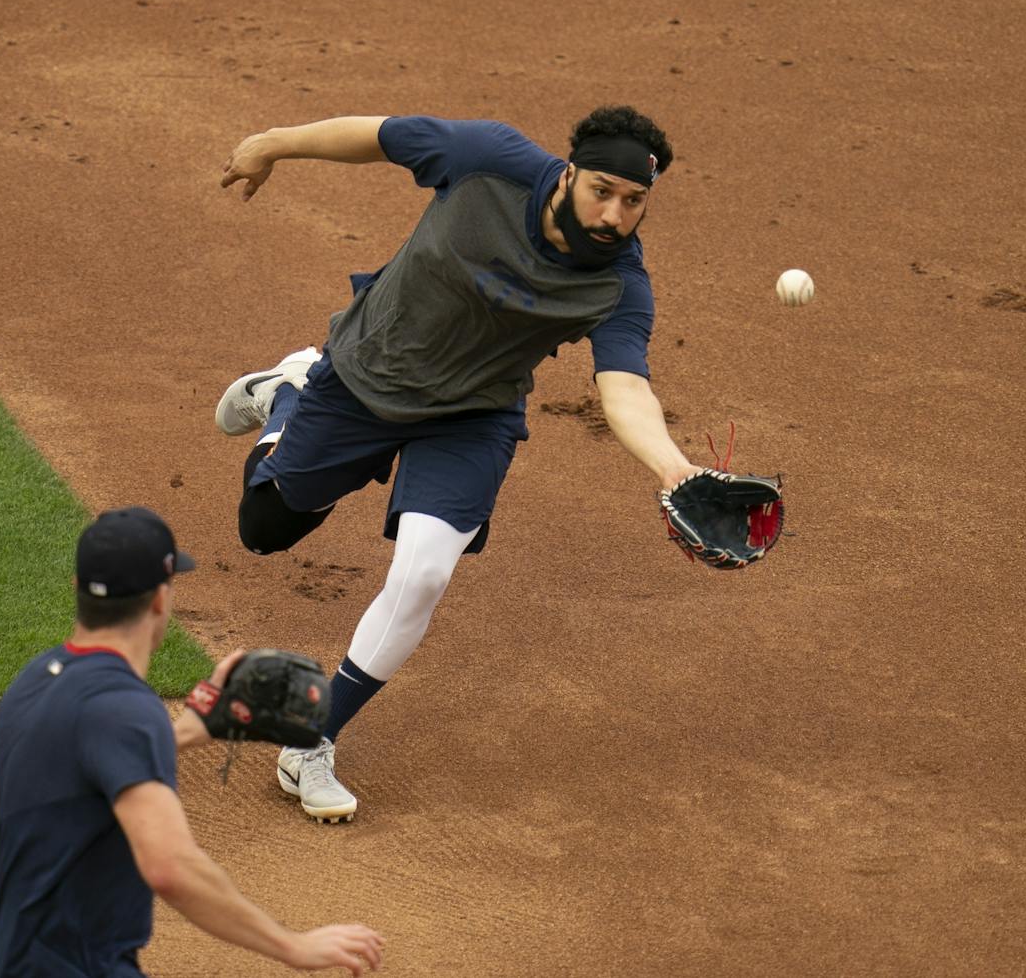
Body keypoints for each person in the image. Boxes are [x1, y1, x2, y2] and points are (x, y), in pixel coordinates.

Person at [214, 108, 705, 824]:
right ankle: (290, 388)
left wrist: (673, 466)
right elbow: (377, 136)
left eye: (634, 202)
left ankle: (311, 738)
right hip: (366, 374)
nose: (614, 215)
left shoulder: (619, 285)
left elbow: (624, 386)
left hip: (473, 415)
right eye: (602, 190)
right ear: (568, 173)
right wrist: (272, 143)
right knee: (265, 529)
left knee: (423, 575)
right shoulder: (488, 160)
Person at [0, 506, 385, 976]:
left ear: (78, 590)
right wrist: (293, 947)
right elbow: (170, 867)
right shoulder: (126, 709)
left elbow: (83, 763)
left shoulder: (36, 680)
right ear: (158, 600)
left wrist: (187, 731)